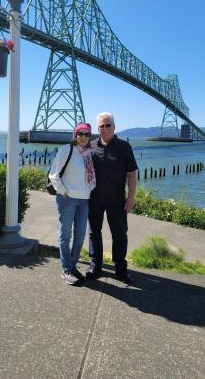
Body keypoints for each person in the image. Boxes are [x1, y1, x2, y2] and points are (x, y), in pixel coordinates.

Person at [86, 112, 138, 284]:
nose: (105, 128)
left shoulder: (124, 147)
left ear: (114, 127)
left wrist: (130, 198)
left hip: (117, 200)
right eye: (101, 125)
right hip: (94, 199)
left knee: (120, 234)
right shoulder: (90, 146)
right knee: (94, 233)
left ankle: (120, 269)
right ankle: (96, 265)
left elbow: (131, 175)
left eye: (108, 125)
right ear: (98, 128)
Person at [49, 123, 96, 285]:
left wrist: (91, 189)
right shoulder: (66, 150)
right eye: (80, 133)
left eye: (87, 134)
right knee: (66, 235)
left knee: (80, 236)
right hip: (68, 199)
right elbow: (53, 175)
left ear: (90, 136)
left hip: (84, 200)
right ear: (75, 134)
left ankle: (72, 266)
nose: (83, 137)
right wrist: (63, 191)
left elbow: (90, 176)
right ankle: (66, 269)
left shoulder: (89, 153)